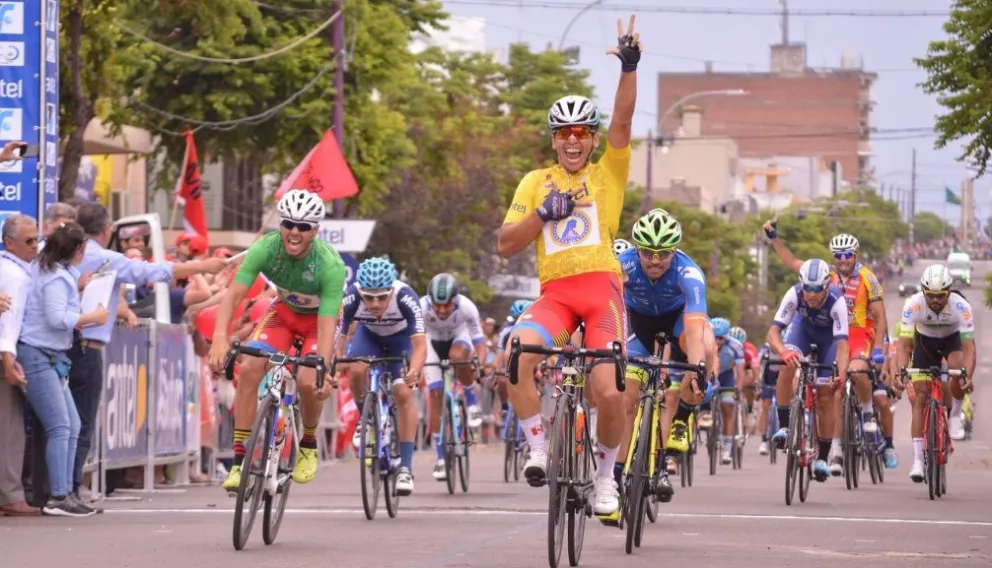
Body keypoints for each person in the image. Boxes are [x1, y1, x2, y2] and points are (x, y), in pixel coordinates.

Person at [496, 15, 641, 518]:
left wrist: (629, 68)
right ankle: (538, 446)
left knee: (610, 390)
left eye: (581, 132)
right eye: (564, 133)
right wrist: (542, 214)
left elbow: (623, 123)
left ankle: (605, 478)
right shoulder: (536, 181)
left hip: (601, 294)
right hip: (556, 298)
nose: (573, 140)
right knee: (516, 354)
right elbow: (505, 244)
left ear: (592, 139)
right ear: (554, 139)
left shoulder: (607, 175)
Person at [70, 203, 227, 500]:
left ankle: (64, 488)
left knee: (70, 423)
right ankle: (69, 488)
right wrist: (201, 267)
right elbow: (148, 272)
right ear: (107, 229)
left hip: (70, 344)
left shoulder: (68, 252)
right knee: (81, 422)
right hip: (84, 347)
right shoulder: (102, 257)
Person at [208, 189, 346, 491]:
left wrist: (323, 367)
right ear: (280, 224)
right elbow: (233, 296)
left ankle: (308, 444)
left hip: (317, 323)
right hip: (283, 314)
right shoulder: (265, 248)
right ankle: (240, 462)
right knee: (250, 367)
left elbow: (326, 325)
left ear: (315, 231)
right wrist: (220, 337)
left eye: (303, 226)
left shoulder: (330, 265)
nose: (294, 232)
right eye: (288, 223)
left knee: (309, 381)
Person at [764, 223, 893, 473]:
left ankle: (837, 444)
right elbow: (790, 262)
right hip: (806, 329)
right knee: (786, 365)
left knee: (834, 389)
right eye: (838, 255)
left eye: (847, 255)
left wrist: (875, 351)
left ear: (855, 255)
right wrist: (774, 239)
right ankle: (785, 427)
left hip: (847, 332)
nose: (843, 259)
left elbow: (870, 323)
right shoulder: (816, 276)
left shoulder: (863, 281)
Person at [617, 209, 709, 503]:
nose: (654, 261)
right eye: (647, 252)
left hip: (678, 322)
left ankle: (683, 419)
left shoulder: (689, 273)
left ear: (675, 251)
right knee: (627, 397)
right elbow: (606, 307)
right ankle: (616, 472)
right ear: (637, 250)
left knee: (701, 353)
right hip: (640, 324)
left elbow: (694, 330)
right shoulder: (622, 264)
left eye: (663, 254)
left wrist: (696, 368)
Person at [19, 223, 109, 516]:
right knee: (61, 427)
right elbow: (57, 318)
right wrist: (91, 317)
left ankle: (65, 492)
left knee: (70, 425)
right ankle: (59, 496)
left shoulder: (53, 272)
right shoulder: (56, 277)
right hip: (39, 355)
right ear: (78, 249)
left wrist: (79, 313)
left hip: (47, 355)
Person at [337, 257, 426, 495]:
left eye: (382, 297)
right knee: (356, 369)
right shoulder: (352, 296)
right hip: (369, 337)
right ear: (361, 292)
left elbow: (420, 345)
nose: (375, 303)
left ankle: (405, 467)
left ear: (391, 291)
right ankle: (366, 418)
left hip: (401, 341)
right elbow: (340, 336)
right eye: (369, 297)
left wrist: (415, 370)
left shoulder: (406, 297)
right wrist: (336, 362)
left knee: (403, 393)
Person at [767, 259, 849, 482]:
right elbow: (773, 333)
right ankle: (785, 427)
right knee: (786, 366)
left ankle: (822, 457)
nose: (811, 294)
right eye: (807, 288)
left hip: (828, 341)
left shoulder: (837, 301)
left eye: (817, 289)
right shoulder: (794, 294)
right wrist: (783, 351)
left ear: (827, 285)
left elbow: (843, 347)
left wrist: (840, 375)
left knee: (825, 396)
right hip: (801, 332)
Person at [895, 264, 975, 482]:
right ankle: (917, 460)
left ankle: (955, 415)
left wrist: (967, 376)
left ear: (949, 292)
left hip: (952, 340)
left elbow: (969, 349)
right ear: (923, 291)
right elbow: (904, 345)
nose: (935, 300)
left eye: (941, 295)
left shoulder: (961, 306)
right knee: (920, 397)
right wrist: (901, 372)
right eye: (930, 295)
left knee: (958, 369)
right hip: (925, 342)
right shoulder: (913, 304)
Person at [420, 273, 487, 481]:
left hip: (459, 339)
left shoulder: (467, 307)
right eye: (437, 305)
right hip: (432, 343)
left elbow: (480, 343)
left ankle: (471, 401)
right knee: (436, 395)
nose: (441, 310)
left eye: (446, 305)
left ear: (455, 300)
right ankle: (440, 457)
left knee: (457, 356)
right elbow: (415, 341)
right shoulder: (421, 307)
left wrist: (480, 365)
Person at [0, 215, 39, 516]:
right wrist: (8, 359)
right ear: (9, 243)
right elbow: (9, 323)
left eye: (37, 239)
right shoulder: (15, 275)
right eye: (29, 241)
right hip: (6, 354)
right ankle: (10, 494)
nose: (35, 246)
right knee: (10, 428)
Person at [711, 318, 745, 465]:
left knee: (727, 406)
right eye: (715, 337)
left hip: (727, 376)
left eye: (721, 338)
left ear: (727, 336)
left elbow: (741, 371)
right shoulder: (704, 341)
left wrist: (739, 389)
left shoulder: (735, 346)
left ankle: (727, 447)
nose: (718, 341)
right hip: (710, 374)